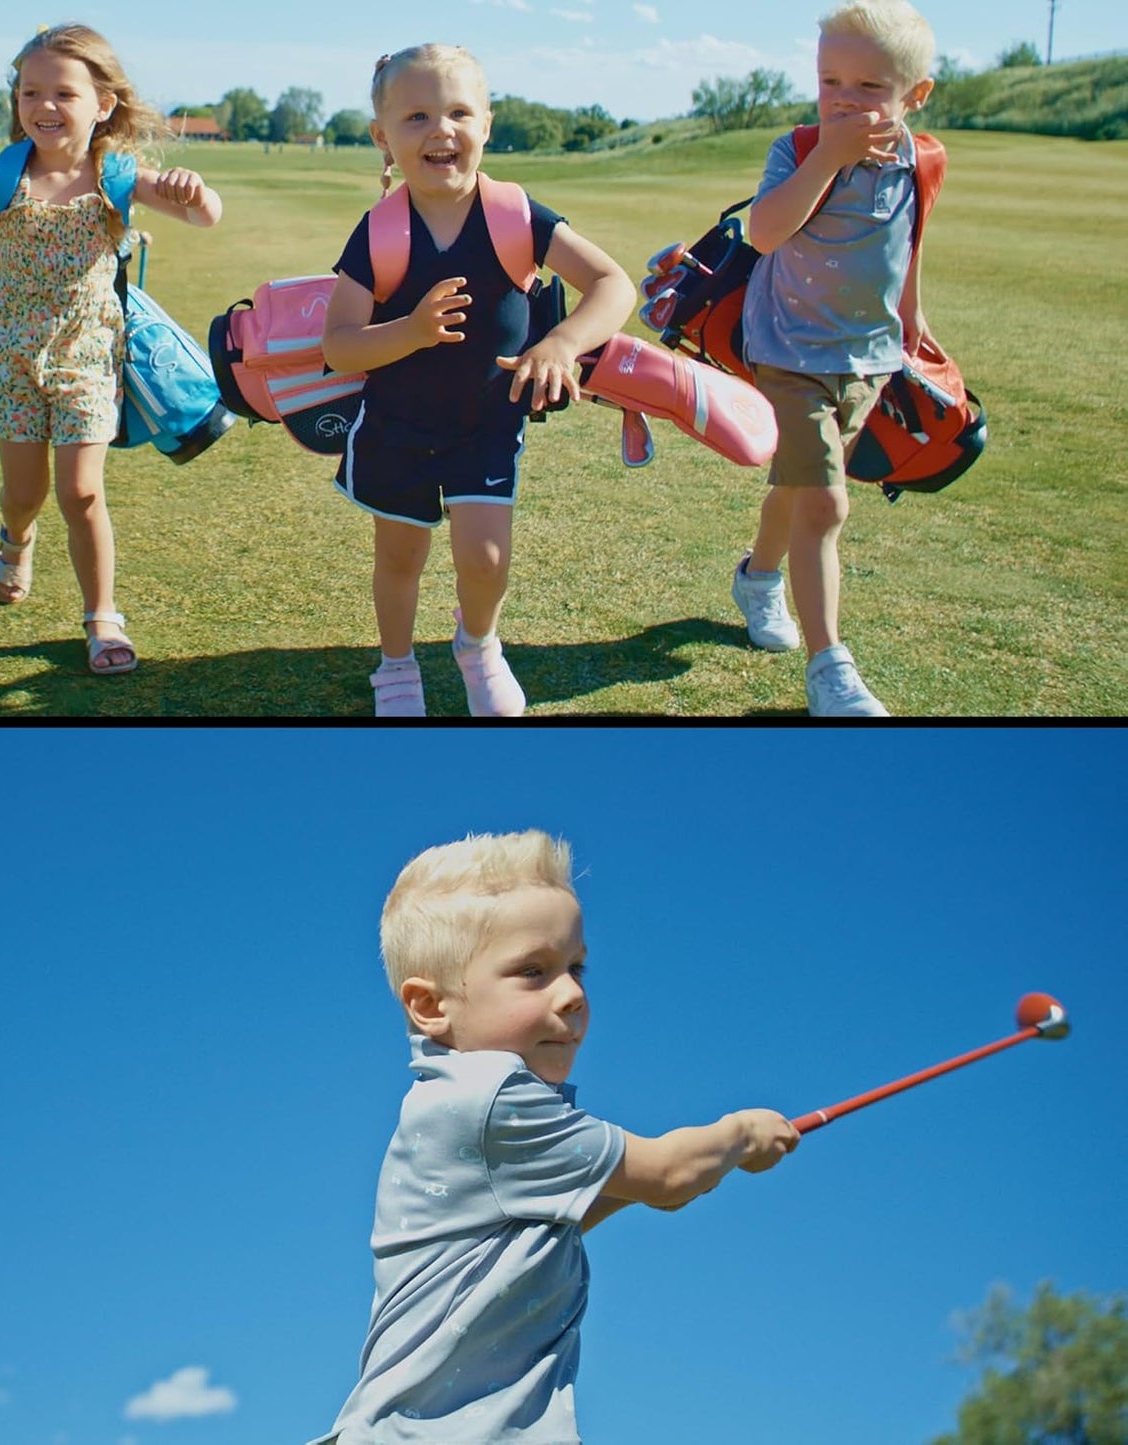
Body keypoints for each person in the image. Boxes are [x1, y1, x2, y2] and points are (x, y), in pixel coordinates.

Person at [308, 830, 798, 1443]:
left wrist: (655, 1184)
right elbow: (670, 1172)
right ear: (431, 1006)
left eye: (575, 968)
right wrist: (740, 1134)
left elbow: (538, 1233)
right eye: (533, 972)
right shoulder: (490, 1100)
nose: (572, 994)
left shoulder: (456, 1105)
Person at [0, 24, 222, 676]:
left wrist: (196, 193)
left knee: (81, 493)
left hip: (88, 353)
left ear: (102, 104)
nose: (44, 105)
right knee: (24, 492)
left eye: (63, 92)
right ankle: (16, 538)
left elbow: (204, 216)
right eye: (30, 92)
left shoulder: (116, 177)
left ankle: (102, 618)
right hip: (8, 354)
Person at [321, 47, 636, 719]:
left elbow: (613, 285)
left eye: (459, 112)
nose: (441, 129)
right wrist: (411, 331)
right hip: (396, 427)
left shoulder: (515, 215)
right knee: (400, 556)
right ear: (382, 136)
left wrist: (561, 343)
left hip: (488, 423)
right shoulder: (378, 232)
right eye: (416, 116)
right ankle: (396, 666)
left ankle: (478, 645)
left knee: (486, 557)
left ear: (486, 125)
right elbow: (340, 346)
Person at [731, 0, 939, 716]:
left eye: (869, 87)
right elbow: (763, 233)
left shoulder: (920, 158)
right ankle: (830, 671)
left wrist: (911, 315)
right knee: (825, 500)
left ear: (914, 95)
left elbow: (909, 239)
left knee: (798, 489)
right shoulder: (798, 149)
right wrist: (829, 156)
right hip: (787, 350)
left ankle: (758, 578)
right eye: (830, 83)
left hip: (867, 358)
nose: (844, 100)